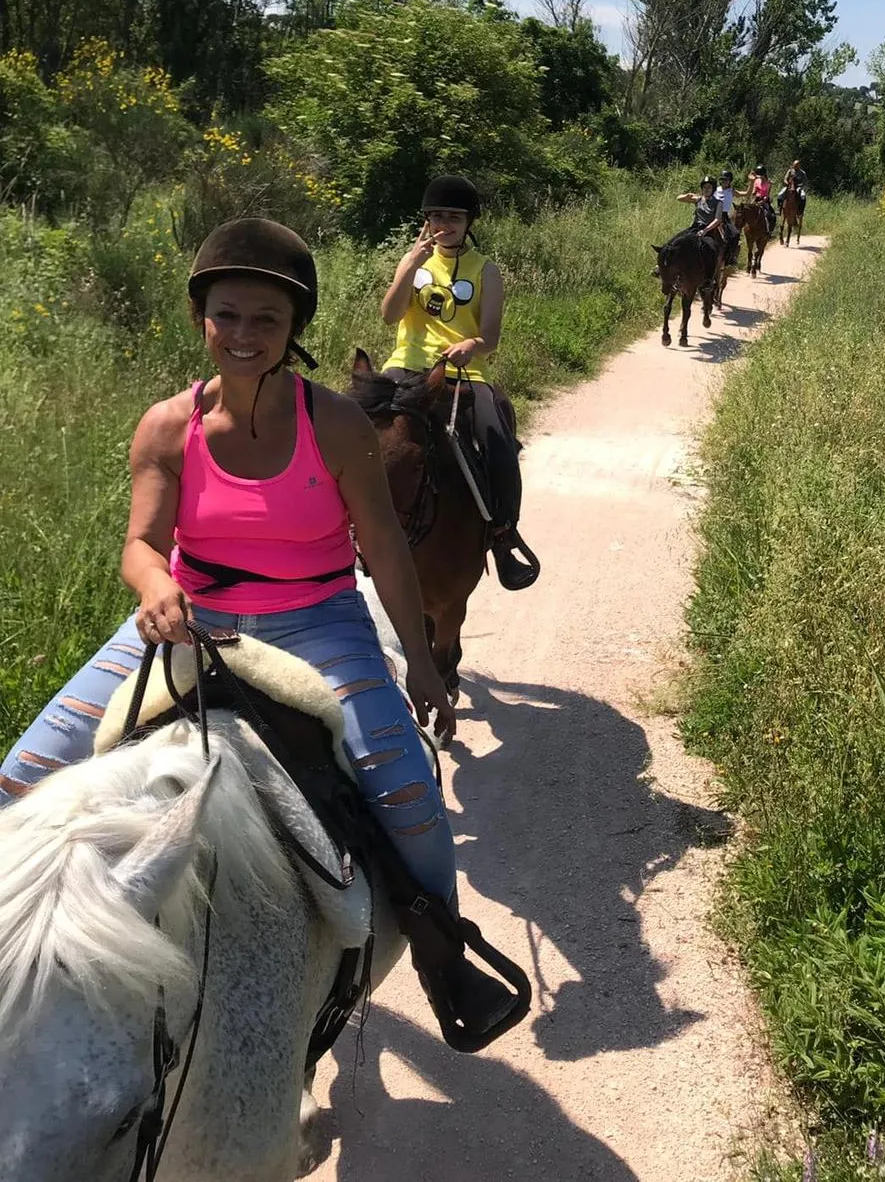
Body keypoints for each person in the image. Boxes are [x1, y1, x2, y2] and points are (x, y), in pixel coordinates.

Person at [0, 216, 517, 1039]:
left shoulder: (335, 424)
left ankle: (444, 957)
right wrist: (156, 585)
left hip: (318, 619)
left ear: (293, 328)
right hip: (191, 618)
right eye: (227, 315)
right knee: (22, 776)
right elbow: (142, 544)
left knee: (408, 792)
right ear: (201, 319)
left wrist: (420, 663)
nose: (244, 334)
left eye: (266, 319)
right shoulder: (166, 426)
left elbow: (383, 545)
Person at [381, 175, 538, 591]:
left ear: (469, 222)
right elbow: (390, 315)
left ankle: (503, 535)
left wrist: (472, 344)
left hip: (464, 372)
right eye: (436, 216)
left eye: (453, 217)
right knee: (353, 424)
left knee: (497, 439)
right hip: (406, 366)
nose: (444, 224)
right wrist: (408, 267)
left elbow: (491, 337)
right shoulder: (413, 263)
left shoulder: (486, 271)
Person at [747, 162, 776, 235]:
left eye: (760, 175)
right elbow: (754, 191)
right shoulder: (756, 181)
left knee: (771, 215)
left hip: (764, 200)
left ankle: (769, 231)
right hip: (756, 199)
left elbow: (767, 195)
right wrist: (752, 197)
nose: (759, 177)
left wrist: (762, 202)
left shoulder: (768, 182)